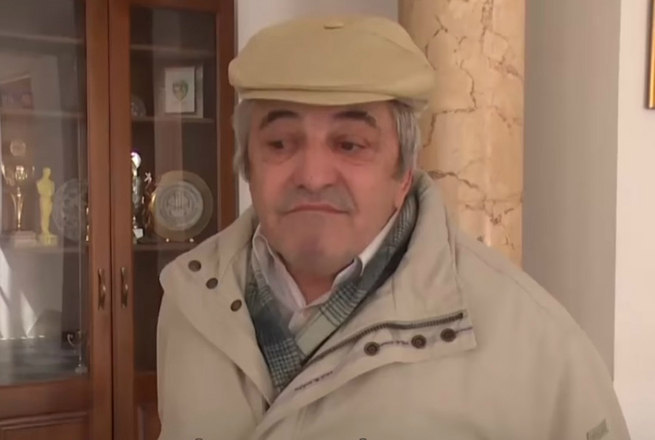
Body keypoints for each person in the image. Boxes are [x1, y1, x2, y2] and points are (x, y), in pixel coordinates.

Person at [156, 16, 630, 440]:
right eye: (280, 143)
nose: (313, 176)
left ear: (403, 173)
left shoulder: (533, 342)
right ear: (247, 165)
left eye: (350, 144)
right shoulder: (191, 302)